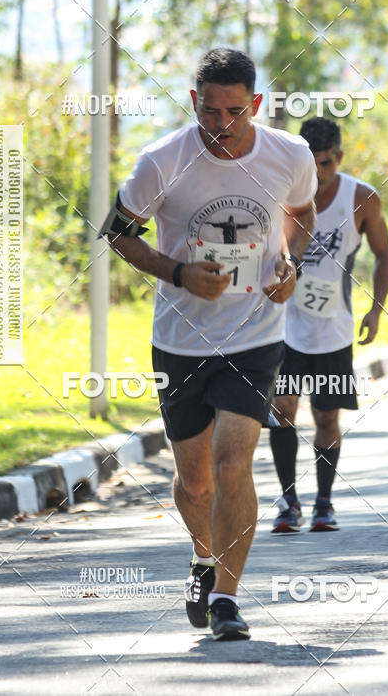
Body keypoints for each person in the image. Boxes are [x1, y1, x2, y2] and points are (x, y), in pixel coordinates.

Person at [99, 48, 316, 639]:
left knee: (232, 462)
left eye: (235, 112)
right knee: (195, 480)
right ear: (194, 101)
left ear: (257, 104)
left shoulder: (290, 154)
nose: (222, 124)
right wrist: (178, 273)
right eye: (210, 112)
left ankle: (226, 598)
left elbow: (300, 213)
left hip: (255, 335)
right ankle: (203, 556)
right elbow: (117, 233)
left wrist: (290, 263)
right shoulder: (161, 161)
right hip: (180, 339)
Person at [269, 117, 388, 534]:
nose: (318, 174)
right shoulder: (280, 193)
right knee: (282, 411)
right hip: (283, 327)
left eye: (325, 163)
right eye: (311, 164)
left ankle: (324, 502)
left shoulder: (361, 199)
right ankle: (289, 502)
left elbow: (384, 254)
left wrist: (376, 310)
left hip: (333, 330)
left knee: (326, 417)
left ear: (338, 158)